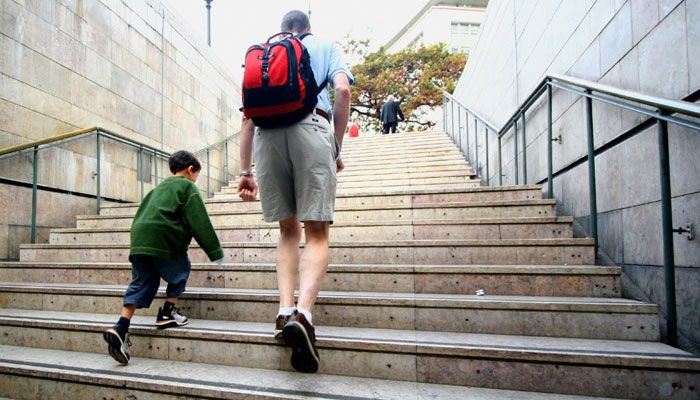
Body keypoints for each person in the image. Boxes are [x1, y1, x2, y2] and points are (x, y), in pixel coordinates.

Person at [237, 9, 353, 374]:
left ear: (283, 29)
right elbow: (343, 90)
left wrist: (244, 171)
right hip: (311, 130)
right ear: (308, 28)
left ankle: (283, 309)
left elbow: (247, 118)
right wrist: (334, 146)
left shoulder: (263, 55)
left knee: (288, 230)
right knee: (316, 231)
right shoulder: (324, 46)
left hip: (267, 140)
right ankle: (303, 314)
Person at [103, 150, 224, 365]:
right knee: (180, 270)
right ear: (190, 170)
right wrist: (215, 252)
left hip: (140, 240)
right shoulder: (187, 187)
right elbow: (199, 222)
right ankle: (167, 312)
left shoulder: (156, 189)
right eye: (197, 174)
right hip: (164, 239)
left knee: (141, 281)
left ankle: (121, 327)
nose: (196, 179)